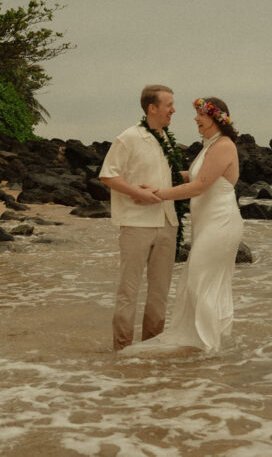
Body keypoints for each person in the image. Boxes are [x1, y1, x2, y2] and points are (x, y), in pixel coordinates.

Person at [125, 97, 244, 355]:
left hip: (221, 223)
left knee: (202, 279)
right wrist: (156, 177)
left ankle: (209, 344)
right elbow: (194, 175)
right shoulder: (209, 145)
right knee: (198, 279)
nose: (195, 119)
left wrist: (159, 193)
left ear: (216, 118)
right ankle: (206, 341)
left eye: (200, 114)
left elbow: (200, 186)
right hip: (207, 224)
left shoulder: (223, 146)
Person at [99, 85, 182, 351]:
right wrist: (137, 192)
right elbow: (108, 175)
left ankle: (151, 348)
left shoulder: (167, 139)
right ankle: (122, 350)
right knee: (128, 291)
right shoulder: (128, 138)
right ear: (152, 108)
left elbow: (173, 178)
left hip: (168, 223)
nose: (173, 110)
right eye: (169, 105)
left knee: (160, 293)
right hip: (136, 224)